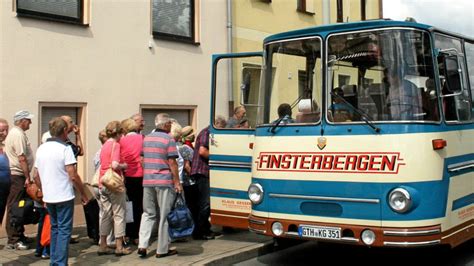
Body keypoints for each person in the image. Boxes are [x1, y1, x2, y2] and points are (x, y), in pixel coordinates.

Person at [33, 117, 88, 265]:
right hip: (63, 195)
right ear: (64, 130)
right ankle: (60, 262)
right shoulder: (65, 149)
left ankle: (54, 260)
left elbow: (35, 175)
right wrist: (83, 193)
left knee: (55, 228)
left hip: (49, 196)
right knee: (64, 230)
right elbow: (73, 174)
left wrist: (43, 191)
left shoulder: (41, 148)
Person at [137, 113, 182, 258]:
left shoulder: (147, 138)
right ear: (167, 124)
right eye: (170, 124)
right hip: (163, 180)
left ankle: (142, 245)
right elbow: (172, 163)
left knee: (148, 213)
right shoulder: (168, 139)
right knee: (164, 215)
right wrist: (177, 182)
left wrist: (148, 171)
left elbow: (142, 159)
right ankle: (162, 250)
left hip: (148, 180)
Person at [97, 121, 131, 256]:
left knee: (106, 214)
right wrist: (125, 166)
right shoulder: (115, 145)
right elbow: (115, 164)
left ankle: (103, 244)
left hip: (103, 181)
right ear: (119, 133)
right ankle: (119, 246)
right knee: (119, 214)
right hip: (114, 183)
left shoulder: (105, 145)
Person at [4, 110, 35, 250]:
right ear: (22, 120)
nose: (30, 123)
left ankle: (19, 234)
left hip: (18, 175)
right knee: (15, 206)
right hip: (17, 175)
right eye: (28, 120)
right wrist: (27, 176)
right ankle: (13, 239)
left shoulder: (17, 133)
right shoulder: (17, 134)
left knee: (21, 206)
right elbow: (21, 157)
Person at [191, 125, 220, 240]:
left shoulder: (206, 132)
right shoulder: (207, 132)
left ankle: (205, 229)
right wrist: (218, 158)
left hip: (203, 172)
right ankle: (199, 232)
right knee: (205, 203)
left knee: (204, 203)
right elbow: (202, 151)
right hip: (202, 171)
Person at [119, 118, 143, 246]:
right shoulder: (142, 138)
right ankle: (137, 236)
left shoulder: (121, 141)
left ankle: (128, 233)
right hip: (141, 175)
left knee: (128, 205)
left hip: (127, 175)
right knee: (139, 206)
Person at [0, 119, 10, 227]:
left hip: (5, 189)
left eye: (7, 130)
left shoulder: (6, 147)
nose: (5, 133)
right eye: (2, 130)